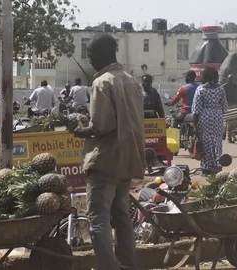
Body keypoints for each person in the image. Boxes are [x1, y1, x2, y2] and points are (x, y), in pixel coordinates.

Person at [73, 33, 145, 270]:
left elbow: (102, 126)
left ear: (104, 54)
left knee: (99, 220)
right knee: (122, 217)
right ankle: (128, 264)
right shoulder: (132, 81)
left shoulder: (101, 83)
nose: (90, 60)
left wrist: (81, 129)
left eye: (92, 55)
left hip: (105, 161)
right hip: (127, 159)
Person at [191, 67, 228, 175]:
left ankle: (207, 167)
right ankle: (217, 164)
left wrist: (194, 126)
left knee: (206, 142)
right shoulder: (220, 89)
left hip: (204, 118)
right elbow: (225, 107)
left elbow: (196, 110)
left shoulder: (201, 89)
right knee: (217, 141)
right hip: (217, 117)